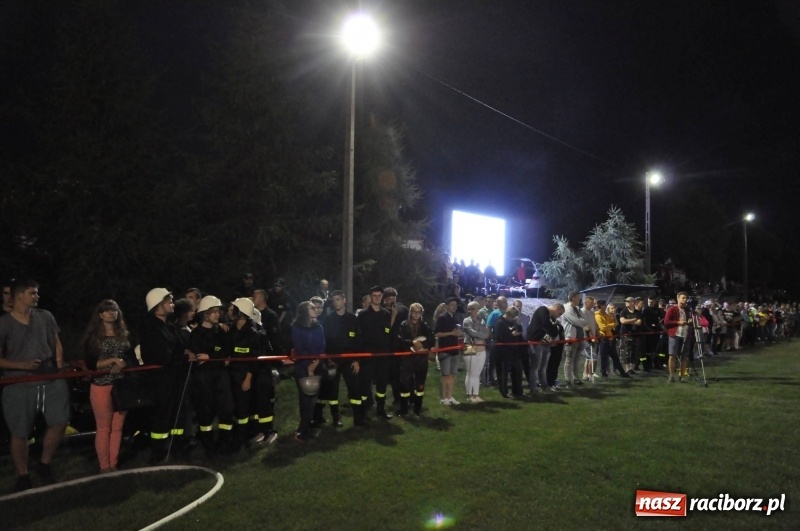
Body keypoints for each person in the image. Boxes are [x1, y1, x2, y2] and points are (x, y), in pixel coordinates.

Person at [0, 279, 69, 491]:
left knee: (60, 421)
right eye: (32, 293)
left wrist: (59, 369)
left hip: (50, 377)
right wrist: (21, 365)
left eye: (37, 293)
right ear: (19, 296)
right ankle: (23, 475)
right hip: (18, 382)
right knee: (19, 431)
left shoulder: (45, 316)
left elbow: (56, 344)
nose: (37, 296)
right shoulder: (4, 323)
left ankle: (44, 463)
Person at [139, 288, 193, 463]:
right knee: (163, 416)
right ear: (158, 305)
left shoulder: (168, 326)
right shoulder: (151, 328)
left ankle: (177, 447)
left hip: (174, 378)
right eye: (168, 301)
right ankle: (158, 452)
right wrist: (184, 356)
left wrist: (184, 352)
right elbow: (164, 356)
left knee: (177, 415)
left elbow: (178, 347)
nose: (172, 304)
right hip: (161, 380)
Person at [81, 299, 135, 473]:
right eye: (107, 310)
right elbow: (91, 364)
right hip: (101, 385)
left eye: (115, 310)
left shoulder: (124, 335)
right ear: (100, 314)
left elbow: (131, 357)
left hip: (121, 386)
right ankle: (104, 466)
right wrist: (112, 360)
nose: (112, 313)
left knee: (117, 428)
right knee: (104, 428)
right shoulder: (94, 338)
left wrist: (124, 362)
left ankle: (114, 464)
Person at [188, 296, 238, 455]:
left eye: (218, 311)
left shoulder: (222, 331)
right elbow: (199, 356)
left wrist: (210, 357)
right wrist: (217, 357)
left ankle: (225, 443)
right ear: (205, 314)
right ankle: (208, 445)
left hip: (221, 376)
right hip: (203, 378)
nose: (218, 314)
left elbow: (227, 352)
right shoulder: (195, 334)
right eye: (214, 312)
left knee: (227, 409)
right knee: (205, 412)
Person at [321, 290, 364, 426]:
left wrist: (356, 360)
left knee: (354, 389)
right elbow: (324, 341)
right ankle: (336, 418)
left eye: (338, 299)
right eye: (334, 300)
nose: (336, 303)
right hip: (333, 361)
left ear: (344, 300)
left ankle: (358, 418)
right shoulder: (328, 319)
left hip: (350, 361)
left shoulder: (352, 319)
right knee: (333, 391)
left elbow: (358, 341)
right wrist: (328, 359)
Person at [357, 286, 394, 419]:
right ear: (370, 297)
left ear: (382, 297)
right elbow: (359, 336)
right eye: (374, 296)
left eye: (379, 296)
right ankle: (363, 411)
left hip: (383, 356)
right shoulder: (363, 314)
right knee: (365, 384)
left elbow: (388, 333)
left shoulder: (386, 314)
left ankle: (380, 409)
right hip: (367, 356)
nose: (377, 298)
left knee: (382, 384)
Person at [291, 301, 324, 442]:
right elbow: (300, 349)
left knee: (312, 400)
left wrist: (315, 363)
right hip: (302, 368)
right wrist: (308, 366)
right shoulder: (296, 327)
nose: (316, 309)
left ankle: (305, 428)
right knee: (306, 399)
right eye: (312, 308)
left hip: (316, 366)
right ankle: (301, 430)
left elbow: (322, 345)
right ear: (304, 311)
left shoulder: (319, 326)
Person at [393, 303, 435, 416]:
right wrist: (412, 343)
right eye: (414, 312)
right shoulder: (403, 325)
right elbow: (399, 340)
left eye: (418, 312)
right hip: (407, 359)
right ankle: (404, 409)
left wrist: (422, 344)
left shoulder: (425, 325)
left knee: (420, 384)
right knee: (405, 384)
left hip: (421, 359)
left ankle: (417, 409)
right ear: (410, 312)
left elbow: (432, 339)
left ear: (421, 313)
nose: (416, 314)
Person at [526, 302, 564, 393]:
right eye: (560, 313)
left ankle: (544, 386)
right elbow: (546, 324)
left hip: (546, 343)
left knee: (543, 367)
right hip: (537, 342)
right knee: (536, 366)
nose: (559, 316)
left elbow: (555, 330)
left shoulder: (552, 318)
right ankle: (533, 388)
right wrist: (553, 330)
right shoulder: (543, 310)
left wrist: (553, 330)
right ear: (557, 309)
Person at [435, 297, 462, 405]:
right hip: (445, 349)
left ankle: (450, 396)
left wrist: (459, 334)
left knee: (452, 374)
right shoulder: (442, 318)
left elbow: (456, 333)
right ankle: (443, 397)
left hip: (454, 349)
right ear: (447, 306)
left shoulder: (455, 318)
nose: (454, 307)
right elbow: (437, 333)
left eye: (455, 305)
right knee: (445, 375)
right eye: (452, 304)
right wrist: (451, 333)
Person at [462, 301, 490, 402]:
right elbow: (472, 333)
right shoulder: (466, 320)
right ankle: (469, 395)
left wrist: (480, 335)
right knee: (470, 372)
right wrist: (481, 334)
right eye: (469, 309)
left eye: (472, 309)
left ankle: (476, 394)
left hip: (481, 348)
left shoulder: (482, 320)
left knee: (477, 373)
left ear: (477, 309)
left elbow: (486, 334)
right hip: (469, 346)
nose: (470, 311)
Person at [494, 307, 525, 398]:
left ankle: (518, 391)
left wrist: (519, 324)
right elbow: (498, 337)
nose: (512, 319)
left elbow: (519, 331)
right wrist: (511, 335)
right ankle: (504, 392)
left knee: (518, 370)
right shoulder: (500, 322)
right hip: (503, 351)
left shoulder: (513, 321)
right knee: (503, 372)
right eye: (512, 317)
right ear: (507, 314)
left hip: (514, 350)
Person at [560, 291, 589, 387]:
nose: (580, 299)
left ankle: (576, 378)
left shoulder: (577, 308)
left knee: (576, 359)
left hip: (580, 337)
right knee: (569, 359)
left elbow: (585, 320)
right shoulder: (566, 308)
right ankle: (568, 380)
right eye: (578, 297)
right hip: (571, 337)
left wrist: (582, 322)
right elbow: (576, 321)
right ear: (573, 298)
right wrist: (582, 322)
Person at [595, 301, 629, 378]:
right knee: (604, 357)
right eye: (605, 305)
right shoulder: (597, 316)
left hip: (610, 337)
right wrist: (612, 325)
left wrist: (610, 324)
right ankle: (604, 373)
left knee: (614, 356)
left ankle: (621, 372)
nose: (606, 306)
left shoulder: (605, 315)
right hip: (604, 338)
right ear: (601, 306)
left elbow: (613, 323)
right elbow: (603, 327)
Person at [664, 292, 691, 383]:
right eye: (683, 298)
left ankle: (682, 376)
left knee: (684, 356)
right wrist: (678, 322)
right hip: (675, 334)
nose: (685, 300)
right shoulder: (672, 309)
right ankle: (671, 375)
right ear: (678, 298)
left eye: (686, 298)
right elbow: (666, 322)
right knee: (672, 355)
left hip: (685, 335)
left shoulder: (687, 310)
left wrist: (690, 320)